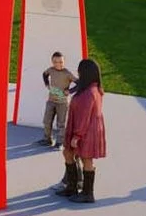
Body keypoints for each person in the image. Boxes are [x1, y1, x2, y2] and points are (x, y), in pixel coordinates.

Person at [56, 57, 107, 202]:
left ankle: (87, 193)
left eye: (80, 70)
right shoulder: (93, 89)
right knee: (68, 153)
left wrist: (77, 136)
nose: (78, 73)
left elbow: (84, 116)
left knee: (86, 159)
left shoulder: (88, 93)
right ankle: (73, 187)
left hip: (84, 131)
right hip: (87, 129)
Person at [36, 52, 75, 149]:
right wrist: (47, 84)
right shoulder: (51, 70)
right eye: (55, 62)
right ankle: (47, 139)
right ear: (52, 62)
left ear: (64, 62)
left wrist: (69, 91)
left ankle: (60, 142)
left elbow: (79, 83)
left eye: (61, 62)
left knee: (61, 123)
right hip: (51, 101)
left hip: (62, 103)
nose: (58, 64)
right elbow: (44, 74)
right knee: (46, 121)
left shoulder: (67, 73)